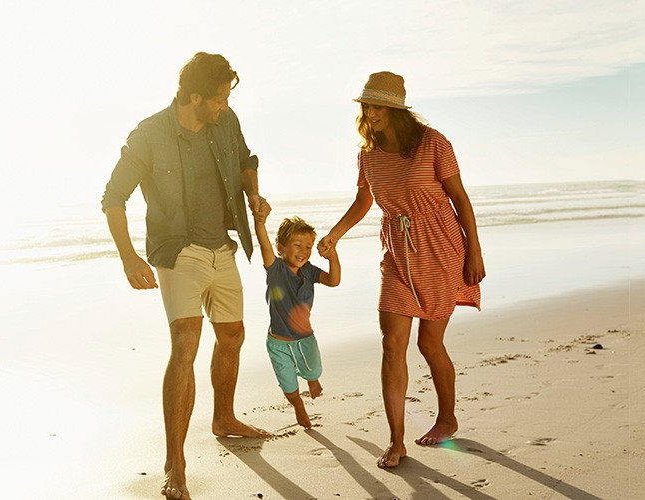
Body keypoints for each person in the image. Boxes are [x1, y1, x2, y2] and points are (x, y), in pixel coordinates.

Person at [101, 51, 274, 499]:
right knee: (186, 343)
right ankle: (174, 462)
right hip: (178, 252)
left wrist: (254, 195)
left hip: (223, 246)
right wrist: (128, 257)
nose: (224, 106)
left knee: (232, 336)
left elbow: (246, 160)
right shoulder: (149, 135)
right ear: (194, 97)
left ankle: (224, 418)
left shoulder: (226, 122)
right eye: (218, 98)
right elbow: (113, 198)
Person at [317, 71, 486, 469]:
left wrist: (474, 251)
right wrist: (334, 235)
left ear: (396, 109)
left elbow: (460, 198)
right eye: (366, 106)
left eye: (377, 106)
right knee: (392, 345)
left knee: (429, 344)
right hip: (396, 251)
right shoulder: (368, 153)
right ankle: (397, 440)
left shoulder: (432, 143)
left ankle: (447, 418)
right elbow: (363, 202)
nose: (370, 114)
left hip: (440, 247)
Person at [251, 214, 339, 429]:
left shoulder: (309, 271)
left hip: (306, 339)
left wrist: (333, 257)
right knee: (288, 384)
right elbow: (264, 244)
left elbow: (333, 281)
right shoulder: (276, 269)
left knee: (314, 371)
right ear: (280, 248)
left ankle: (312, 379)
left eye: (308, 246)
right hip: (278, 343)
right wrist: (259, 221)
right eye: (297, 245)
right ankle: (298, 405)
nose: (303, 251)